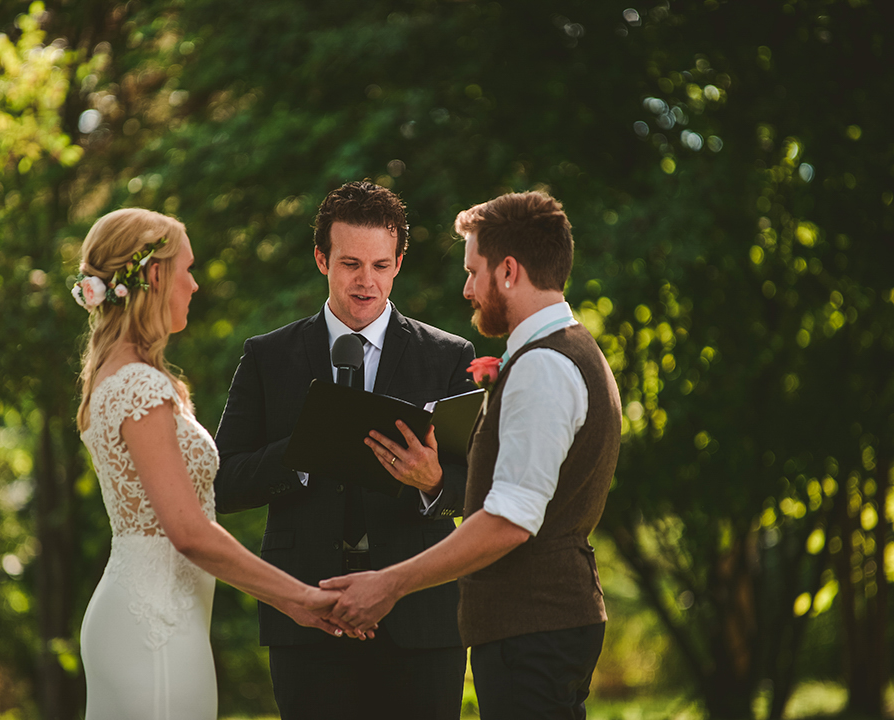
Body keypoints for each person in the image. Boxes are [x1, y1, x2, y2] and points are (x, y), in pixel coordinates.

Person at [321, 190, 623, 719]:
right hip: (544, 626)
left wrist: (390, 583)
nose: (466, 289)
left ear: (508, 271)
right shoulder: (573, 349)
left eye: (472, 271)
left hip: (532, 630)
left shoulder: (542, 366)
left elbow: (509, 521)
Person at [213, 181, 476, 720]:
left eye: (380, 265)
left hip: (420, 621)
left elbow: (482, 493)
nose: (366, 281)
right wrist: (304, 453)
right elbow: (221, 484)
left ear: (399, 263)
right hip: (305, 614)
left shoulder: (450, 356)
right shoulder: (268, 357)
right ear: (320, 259)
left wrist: (433, 482)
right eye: (350, 263)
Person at [72, 208, 344, 720]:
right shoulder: (141, 386)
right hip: (153, 624)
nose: (194, 286)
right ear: (155, 275)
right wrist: (298, 598)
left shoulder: (118, 375)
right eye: (187, 269)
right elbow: (190, 532)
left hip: (154, 613)